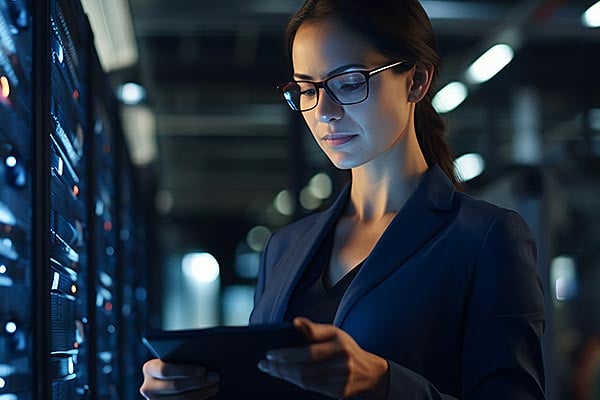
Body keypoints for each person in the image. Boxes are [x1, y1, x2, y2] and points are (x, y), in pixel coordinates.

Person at [140, 0, 547, 398]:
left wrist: (383, 382)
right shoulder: (283, 248)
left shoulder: (485, 237)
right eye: (305, 89)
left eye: (350, 82)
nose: (324, 112)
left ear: (416, 80)